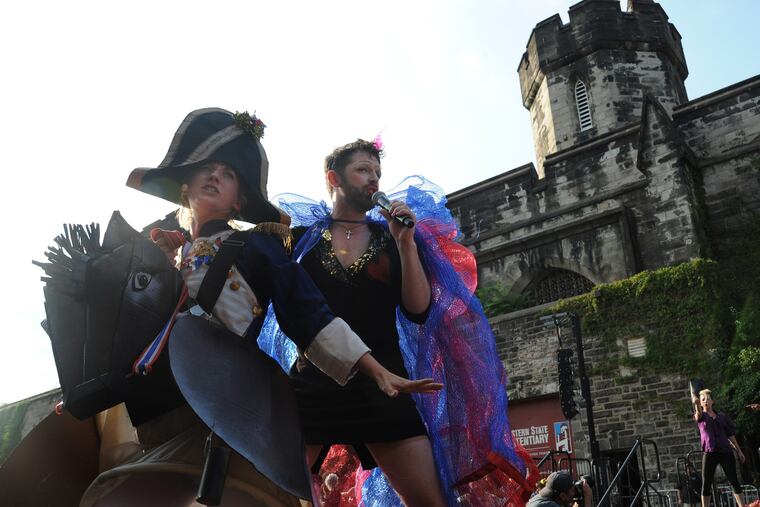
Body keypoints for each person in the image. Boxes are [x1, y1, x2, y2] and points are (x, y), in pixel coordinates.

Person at [78, 108, 440, 506]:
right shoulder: (154, 251)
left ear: (241, 200)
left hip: (222, 400)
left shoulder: (261, 246)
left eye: (229, 173)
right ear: (185, 183)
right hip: (154, 399)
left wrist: (374, 369)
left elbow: (308, 315)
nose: (216, 176)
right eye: (208, 169)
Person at [261, 139, 536, 506]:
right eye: (363, 170)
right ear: (334, 178)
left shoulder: (392, 238)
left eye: (377, 172)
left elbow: (418, 310)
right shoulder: (300, 242)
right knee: (271, 495)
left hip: (387, 385)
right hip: (314, 384)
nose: (373, 179)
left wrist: (405, 243)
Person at [692, 388, 746, 507]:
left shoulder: (722, 416)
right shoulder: (701, 416)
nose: (705, 401)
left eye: (708, 399)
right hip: (709, 452)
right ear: (700, 403)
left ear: (712, 401)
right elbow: (698, 414)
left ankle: (743, 506)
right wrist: (696, 404)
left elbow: (730, 435)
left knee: (734, 480)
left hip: (725, 451)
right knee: (706, 483)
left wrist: (739, 451)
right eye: (703, 399)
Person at [527, 471, 592, 507]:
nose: (575, 492)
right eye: (572, 490)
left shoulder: (536, 499)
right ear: (563, 496)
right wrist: (588, 497)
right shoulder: (550, 505)